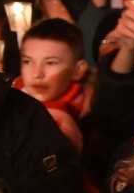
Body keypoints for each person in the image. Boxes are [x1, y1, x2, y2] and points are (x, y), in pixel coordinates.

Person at [16, 17, 90, 150]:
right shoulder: (12, 93)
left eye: (50, 63)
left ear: (78, 70)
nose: (37, 74)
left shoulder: (61, 124)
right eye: (28, 61)